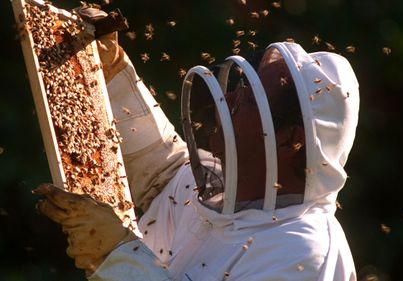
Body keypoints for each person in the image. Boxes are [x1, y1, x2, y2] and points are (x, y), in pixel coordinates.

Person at [33, 7, 359, 281]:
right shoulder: (225, 192)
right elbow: (165, 174)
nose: (227, 98)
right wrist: (111, 73)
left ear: (290, 140)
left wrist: (117, 255)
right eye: (240, 88)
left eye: (246, 101)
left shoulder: (306, 256)